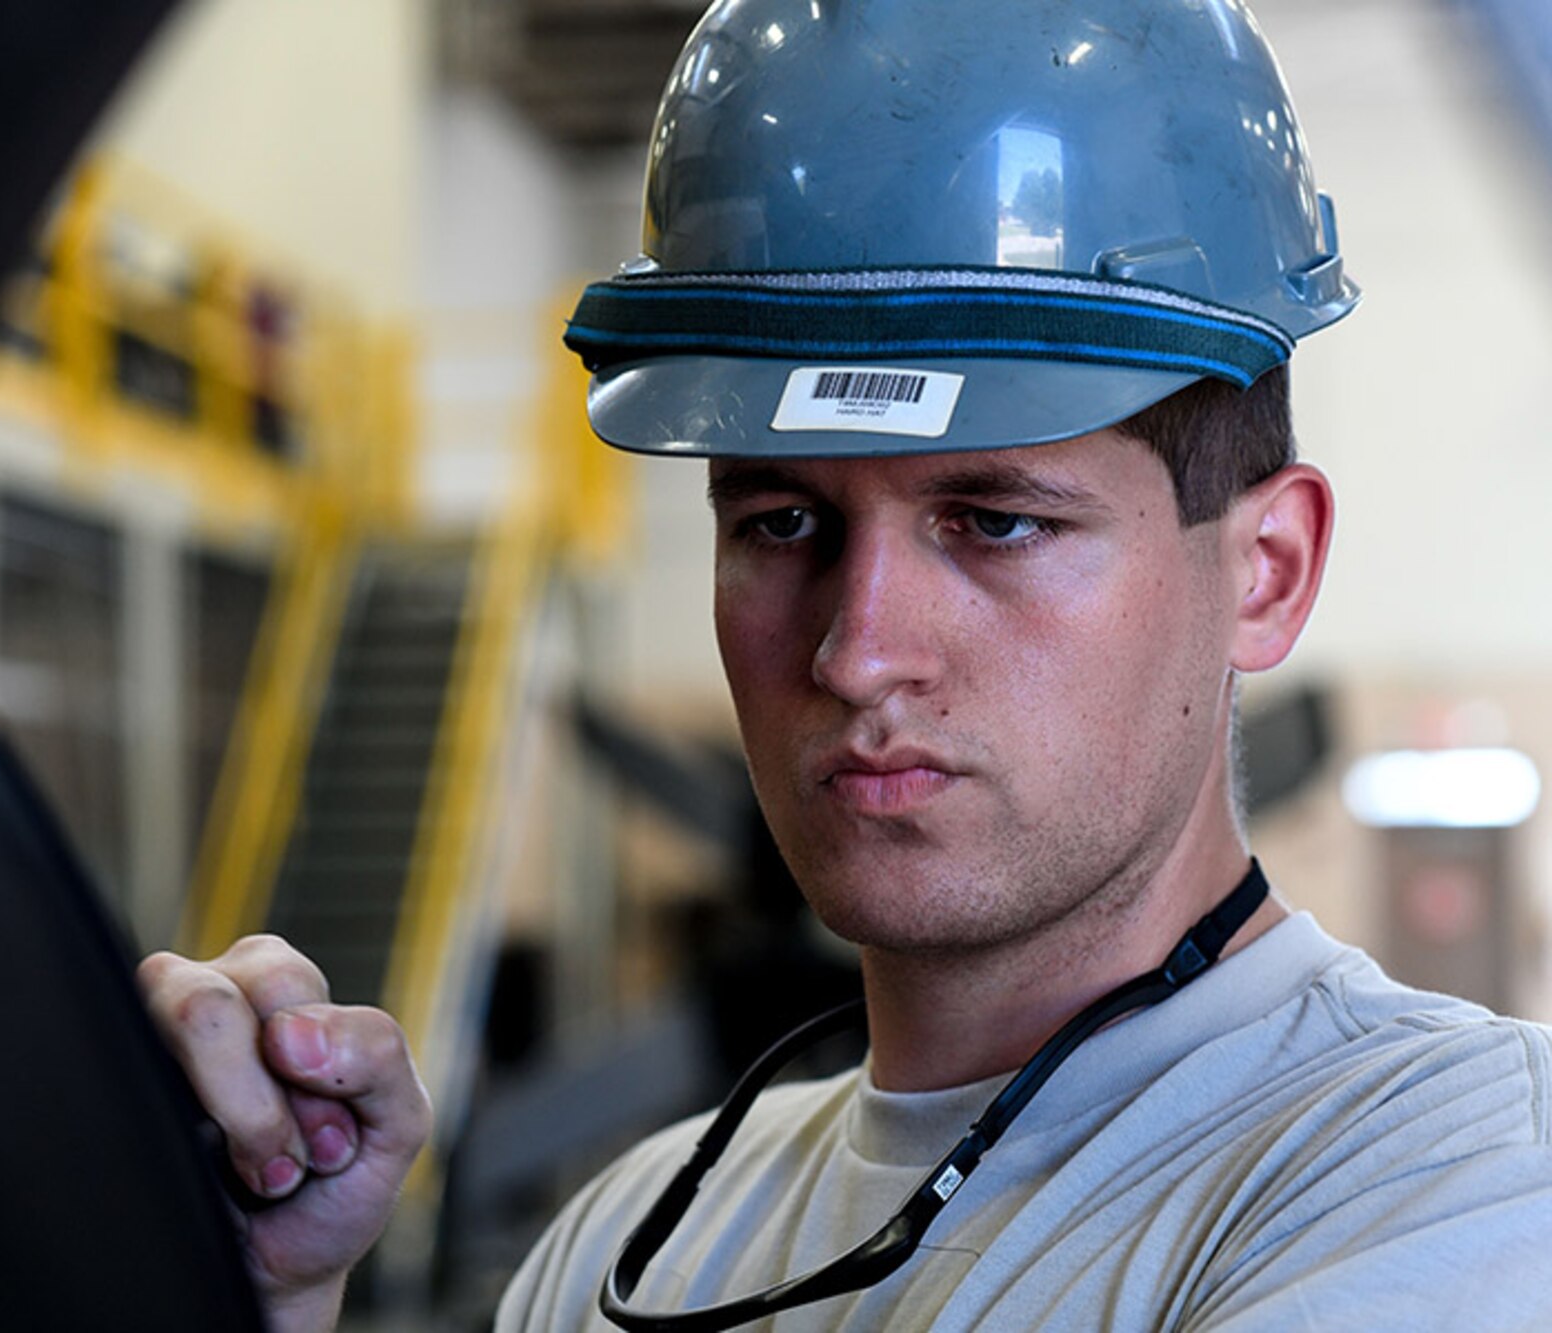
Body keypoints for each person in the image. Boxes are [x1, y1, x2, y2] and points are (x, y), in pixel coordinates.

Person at [138, 0, 1552, 1328]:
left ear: (1265, 570)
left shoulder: (1449, 1177)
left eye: (995, 520)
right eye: (783, 519)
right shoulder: (625, 1243)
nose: (856, 649)